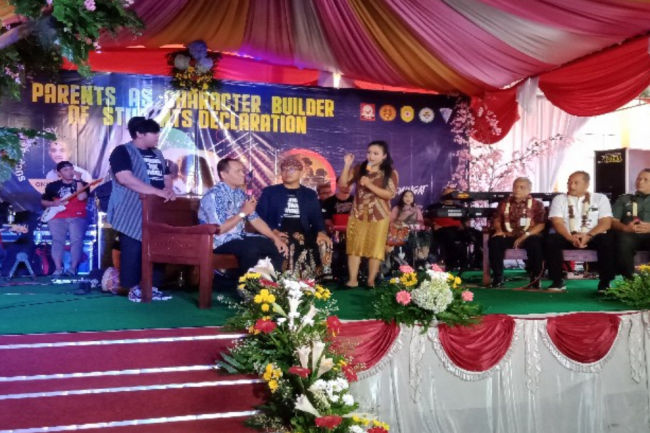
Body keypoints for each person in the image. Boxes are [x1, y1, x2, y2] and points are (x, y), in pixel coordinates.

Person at [107, 117, 176, 302]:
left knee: (158, 247)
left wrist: (168, 189)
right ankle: (132, 288)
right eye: (154, 133)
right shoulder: (122, 151)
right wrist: (156, 192)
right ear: (139, 133)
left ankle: (153, 287)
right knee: (133, 247)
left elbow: (166, 176)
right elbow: (125, 178)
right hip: (131, 207)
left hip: (157, 209)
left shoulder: (157, 153)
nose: (157, 137)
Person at [199, 157, 287, 283]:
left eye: (243, 171)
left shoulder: (240, 194)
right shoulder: (214, 195)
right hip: (217, 241)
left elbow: (255, 219)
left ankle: (272, 288)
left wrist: (275, 238)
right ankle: (248, 288)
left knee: (274, 246)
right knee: (251, 248)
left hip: (238, 237)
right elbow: (219, 229)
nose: (243, 174)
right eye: (238, 171)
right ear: (223, 175)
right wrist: (242, 213)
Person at [256, 156, 333, 280]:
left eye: (292, 169)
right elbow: (260, 216)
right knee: (291, 241)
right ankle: (288, 278)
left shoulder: (310, 194)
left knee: (324, 241)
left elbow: (316, 217)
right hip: (278, 228)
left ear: (301, 172)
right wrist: (273, 231)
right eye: (284, 169)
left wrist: (321, 232)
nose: (287, 172)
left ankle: (320, 277)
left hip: (303, 228)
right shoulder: (270, 192)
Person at [339, 140, 398, 288]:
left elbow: (389, 194)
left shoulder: (390, 173)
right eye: (369, 152)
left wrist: (369, 184)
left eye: (376, 153)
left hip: (379, 215)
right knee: (354, 247)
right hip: (358, 213)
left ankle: (370, 281)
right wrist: (347, 165)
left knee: (375, 248)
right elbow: (343, 185)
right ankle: (353, 280)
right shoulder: (360, 168)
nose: (371, 156)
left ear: (384, 156)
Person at [545, 170, 615, 292]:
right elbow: (557, 222)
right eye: (569, 182)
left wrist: (588, 235)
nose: (571, 186)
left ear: (586, 185)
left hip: (593, 236)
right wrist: (570, 237)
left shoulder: (600, 198)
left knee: (607, 240)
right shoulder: (559, 199)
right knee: (551, 240)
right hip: (567, 236)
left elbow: (606, 222)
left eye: (576, 183)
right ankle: (557, 281)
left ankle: (605, 283)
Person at [488, 177, 545, 288]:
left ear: (529, 190)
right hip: (509, 235)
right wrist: (499, 230)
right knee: (495, 241)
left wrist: (525, 236)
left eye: (521, 187)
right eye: (515, 187)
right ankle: (498, 278)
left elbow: (541, 224)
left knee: (536, 242)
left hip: (528, 235)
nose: (517, 189)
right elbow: (497, 219)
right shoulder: (504, 203)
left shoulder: (537, 204)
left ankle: (535, 277)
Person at [40, 161, 89, 276]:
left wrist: (78, 180)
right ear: (59, 173)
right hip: (57, 217)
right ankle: (58, 269)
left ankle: (72, 268)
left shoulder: (83, 184)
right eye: (65, 170)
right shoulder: (52, 186)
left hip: (77, 216)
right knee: (57, 241)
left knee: (76, 241)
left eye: (71, 169)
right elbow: (43, 201)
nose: (69, 172)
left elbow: (81, 197)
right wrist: (53, 203)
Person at [612, 168, 650, 278]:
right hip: (630, 235)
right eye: (639, 179)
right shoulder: (624, 199)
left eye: (645, 179)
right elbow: (613, 222)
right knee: (623, 240)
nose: (640, 182)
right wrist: (625, 228)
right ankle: (629, 281)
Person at [390, 189, 430, 266]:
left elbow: (421, 223)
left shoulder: (416, 209)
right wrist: (401, 225)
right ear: (402, 198)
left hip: (414, 232)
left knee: (422, 237)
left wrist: (416, 227)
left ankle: (421, 260)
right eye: (406, 196)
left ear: (413, 198)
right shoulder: (397, 208)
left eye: (411, 196)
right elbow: (391, 222)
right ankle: (402, 262)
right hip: (400, 232)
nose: (408, 198)